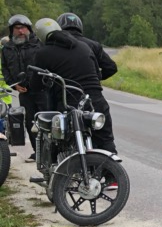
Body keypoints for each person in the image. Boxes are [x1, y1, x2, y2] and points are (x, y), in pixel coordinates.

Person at [29, 19, 118, 154]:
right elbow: (97, 72)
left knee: (58, 142)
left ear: (40, 36)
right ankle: (112, 167)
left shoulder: (43, 53)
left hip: (69, 102)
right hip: (96, 100)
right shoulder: (84, 46)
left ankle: (57, 165)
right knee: (106, 141)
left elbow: (35, 85)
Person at [1, 15, 42, 157]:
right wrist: (14, 86)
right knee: (29, 123)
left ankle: (51, 153)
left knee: (45, 121)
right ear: (12, 30)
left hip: (42, 90)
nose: (20, 31)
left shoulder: (38, 44)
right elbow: (5, 69)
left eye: (23, 28)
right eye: (17, 28)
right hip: (23, 92)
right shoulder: (7, 48)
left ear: (28, 29)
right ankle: (37, 152)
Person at [57, 13, 119, 80]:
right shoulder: (94, 45)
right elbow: (111, 67)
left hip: (62, 84)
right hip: (88, 85)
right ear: (80, 26)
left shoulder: (54, 43)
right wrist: (95, 78)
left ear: (58, 27)